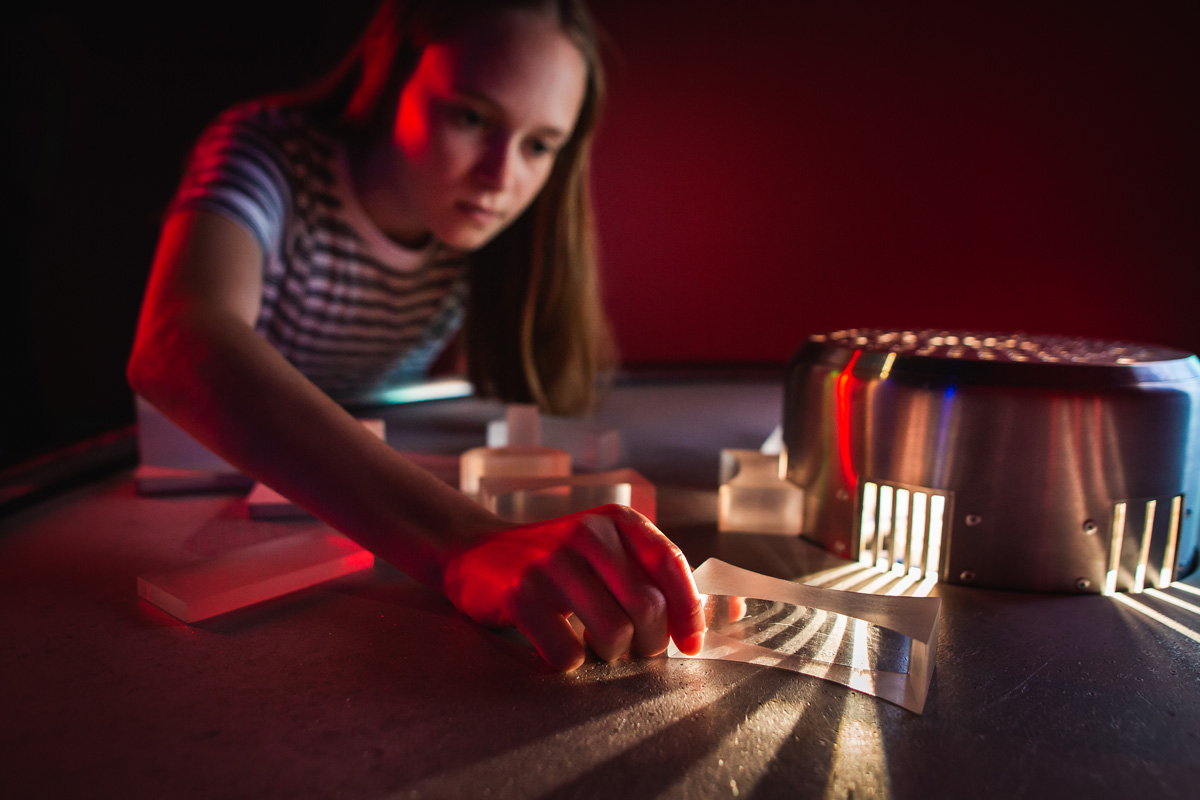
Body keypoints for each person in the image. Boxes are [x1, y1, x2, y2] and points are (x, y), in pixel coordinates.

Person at [127, 0, 705, 671]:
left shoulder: (481, 228)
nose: (501, 176)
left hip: (347, 514)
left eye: (539, 145)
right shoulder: (266, 151)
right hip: (201, 502)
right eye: (470, 116)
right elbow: (176, 340)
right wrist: (462, 540)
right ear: (392, 65)